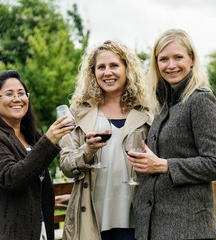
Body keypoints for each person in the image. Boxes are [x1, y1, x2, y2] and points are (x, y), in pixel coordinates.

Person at [127, 29, 216, 240]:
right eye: (163, 59)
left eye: (178, 57)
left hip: (187, 228)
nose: (171, 65)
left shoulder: (200, 100)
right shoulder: (164, 103)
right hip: (155, 225)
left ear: (191, 60)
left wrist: (163, 166)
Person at [59, 40, 152, 240]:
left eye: (114, 65)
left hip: (135, 219)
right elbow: (66, 166)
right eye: (101, 67)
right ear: (93, 73)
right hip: (91, 220)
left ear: (127, 69)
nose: (107, 72)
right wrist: (87, 152)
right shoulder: (77, 114)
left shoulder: (147, 114)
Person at [0, 70, 73, 240]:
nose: (17, 99)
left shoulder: (30, 136)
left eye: (21, 93)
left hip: (39, 229)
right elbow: (13, 179)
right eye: (9, 94)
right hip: (6, 233)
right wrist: (49, 139)